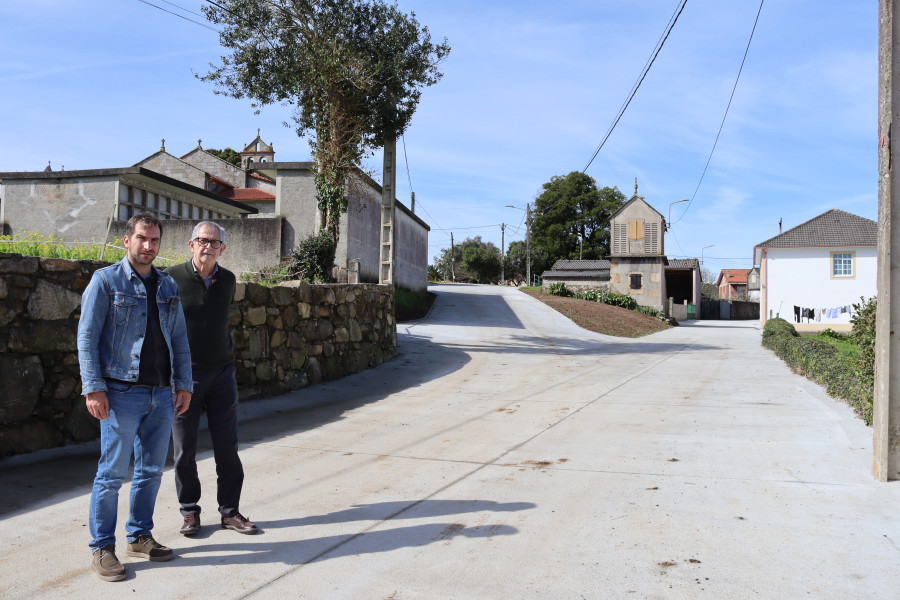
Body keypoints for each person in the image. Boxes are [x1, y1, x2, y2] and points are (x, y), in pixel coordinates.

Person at [78, 212, 193, 582]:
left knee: (150, 472)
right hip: (120, 392)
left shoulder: (168, 286)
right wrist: (93, 387)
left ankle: (139, 535)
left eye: (155, 240)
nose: (148, 246)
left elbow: (178, 340)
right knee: (111, 474)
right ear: (126, 240)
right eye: (142, 238)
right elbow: (87, 338)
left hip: (161, 394)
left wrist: (184, 384)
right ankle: (102, 547)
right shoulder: (105, 282)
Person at [166, 221, 257, 537]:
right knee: (183, 450)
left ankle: (230, 512)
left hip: (222, 374)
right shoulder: (170, 278)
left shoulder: (228, 280)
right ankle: (189, 512)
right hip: (183, 379)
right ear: (191, 244)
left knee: (227, 447)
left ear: (223, 248)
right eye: (202, 240)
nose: (208, 246)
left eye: (214, 242)